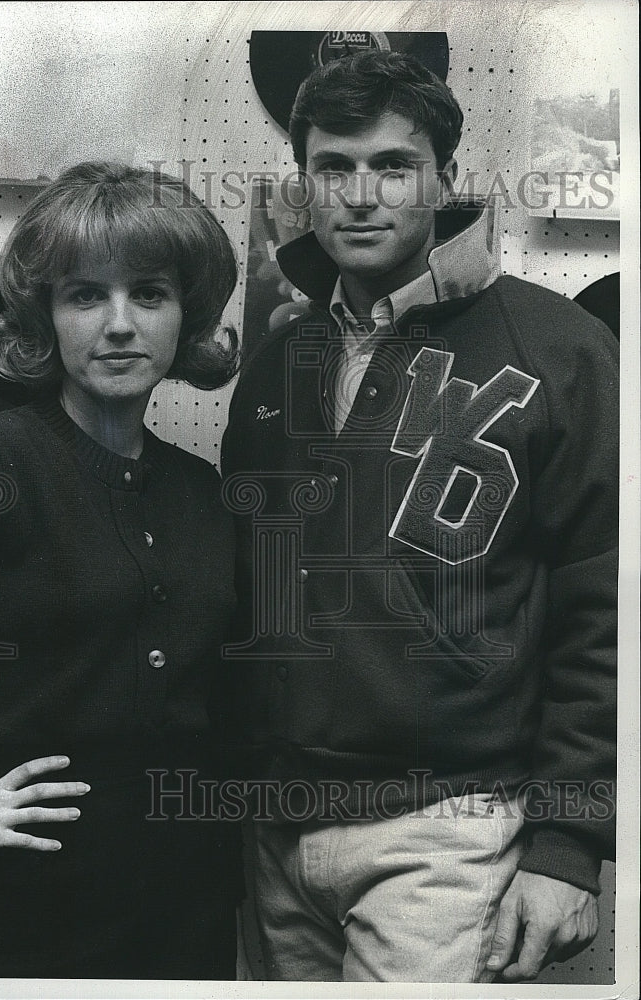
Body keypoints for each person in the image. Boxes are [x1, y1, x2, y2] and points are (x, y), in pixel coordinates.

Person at [221, 51, 617, 983]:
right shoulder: (279, 365)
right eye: (333, 168)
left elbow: (604, 611)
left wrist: (569, 845)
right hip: (276, 830)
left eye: (393, 166)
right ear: (305, 183)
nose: (361, 195)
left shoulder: (558, 350)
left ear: (444, 176)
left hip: (446, 830)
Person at [0, 161, 242, 979]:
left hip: (183, 904)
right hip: (22, 903)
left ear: (185, 313)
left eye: (149, 293)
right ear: (44, 316)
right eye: (86, 295)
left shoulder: (203, 492)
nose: (119, 324)